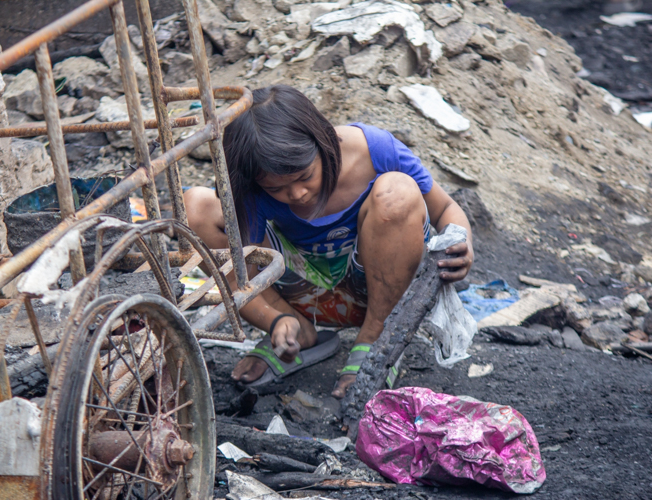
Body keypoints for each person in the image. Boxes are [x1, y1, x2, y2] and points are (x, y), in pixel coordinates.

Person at [184, 85, 473, 398]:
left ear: (322, 142)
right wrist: (277, 320)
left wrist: (462, 244)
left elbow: (445, 209)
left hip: (382, 292)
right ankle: (296, 332)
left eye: (305, 176)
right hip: (301, 293)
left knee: (398, 192)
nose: (297, 194)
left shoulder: (373, 150)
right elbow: (240, 280)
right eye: (277, 189)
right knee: (197, 206)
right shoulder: (252, 186)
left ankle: (375, 341)